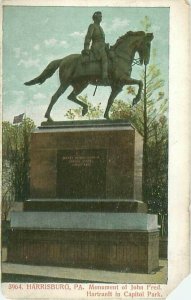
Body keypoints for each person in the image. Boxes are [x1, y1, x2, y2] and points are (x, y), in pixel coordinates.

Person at [82, 11, 109, 84]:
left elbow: (101, 39)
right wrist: (86, 48)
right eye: (99, 16)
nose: (101, 18)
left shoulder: (100, 28)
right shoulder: (92, 26)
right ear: (95, 18)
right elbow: (88, 37)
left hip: (102, 46)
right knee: (104, 57)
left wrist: (105, 45)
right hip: (96, 47)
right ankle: (104, 77)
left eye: (101, 16)